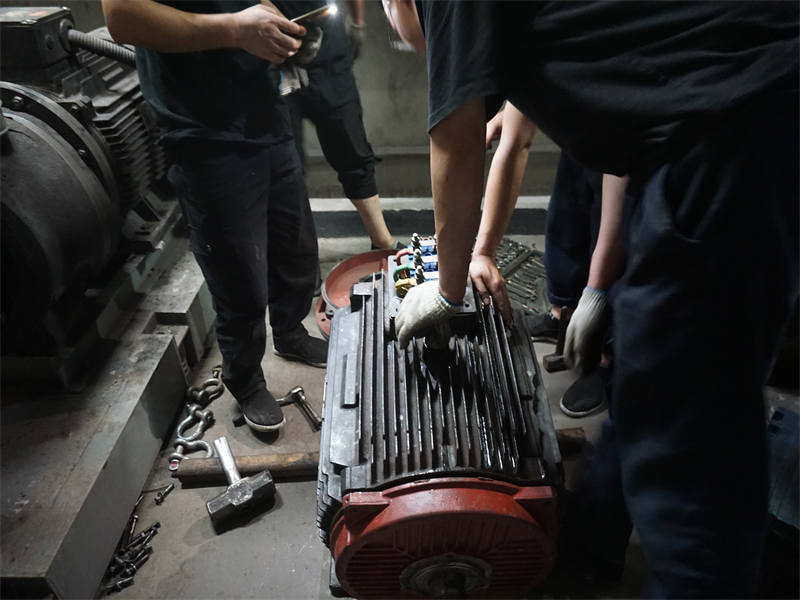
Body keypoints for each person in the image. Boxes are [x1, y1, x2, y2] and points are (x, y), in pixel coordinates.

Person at [387, 1, 798, 596]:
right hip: (718, 124)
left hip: (732, 135)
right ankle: (590, 543)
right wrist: (486, 256)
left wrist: (449, 293)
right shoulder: (535, 24)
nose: (408, 40)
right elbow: (557, 138)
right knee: (654, 371)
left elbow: (456, 137)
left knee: (693, 452)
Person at [102, 0, 329, 433]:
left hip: (264, 109)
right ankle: (245, 378)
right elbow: (122, 17)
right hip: (203, 127)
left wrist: (284, 34)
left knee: (295, 247)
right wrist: (236, 29)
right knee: (239, 273)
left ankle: (289, 333)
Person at [476, 102, 622, 418]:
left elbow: (619, 187)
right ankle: (562, 314)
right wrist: (483, 252)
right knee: (567, 216)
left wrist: (596, 292)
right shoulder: (534, 71)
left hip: (628, 144)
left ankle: (606, 355)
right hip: (586, 131)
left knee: (611, 230)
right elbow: (514, 142)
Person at [277, 0, 398, 251]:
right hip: (271, 52)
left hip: (326, 44)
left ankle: (382, 242)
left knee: (352, 148)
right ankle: (296, 260)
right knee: (286, 165)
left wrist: (357, 22)